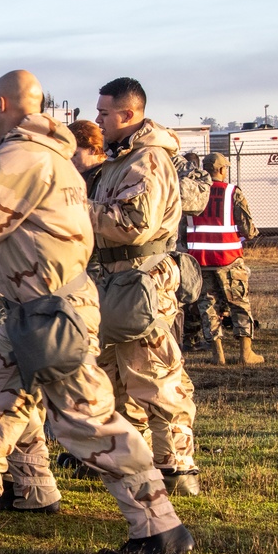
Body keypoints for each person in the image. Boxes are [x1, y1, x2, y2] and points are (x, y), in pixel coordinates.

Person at [0, 70, 193, 554]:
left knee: (87, 421)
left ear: (0, 103)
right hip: (28, 313)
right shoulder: (44, 152)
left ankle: (159, 528)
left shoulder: (22, 154)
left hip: (52, 314)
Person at [89, 77, 200, 497]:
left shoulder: (147, 159)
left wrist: (74, 208)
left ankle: (176, 466)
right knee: (116, 377)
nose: (97, 120)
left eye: (104, 113)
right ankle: (135, 458)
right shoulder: (121, 158)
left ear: (129, 114)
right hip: (116, 281)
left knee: (155, 377)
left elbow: (134, 224)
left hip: (140, 281)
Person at [187, 152, 264, 365]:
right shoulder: (232, 192)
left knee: (207, 305)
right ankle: (246, 353)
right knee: (239, 302)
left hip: (200, 259)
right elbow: (247, 228)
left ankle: (217, 354)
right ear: (221, 170)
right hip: (229, 258)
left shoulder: (192, 193)